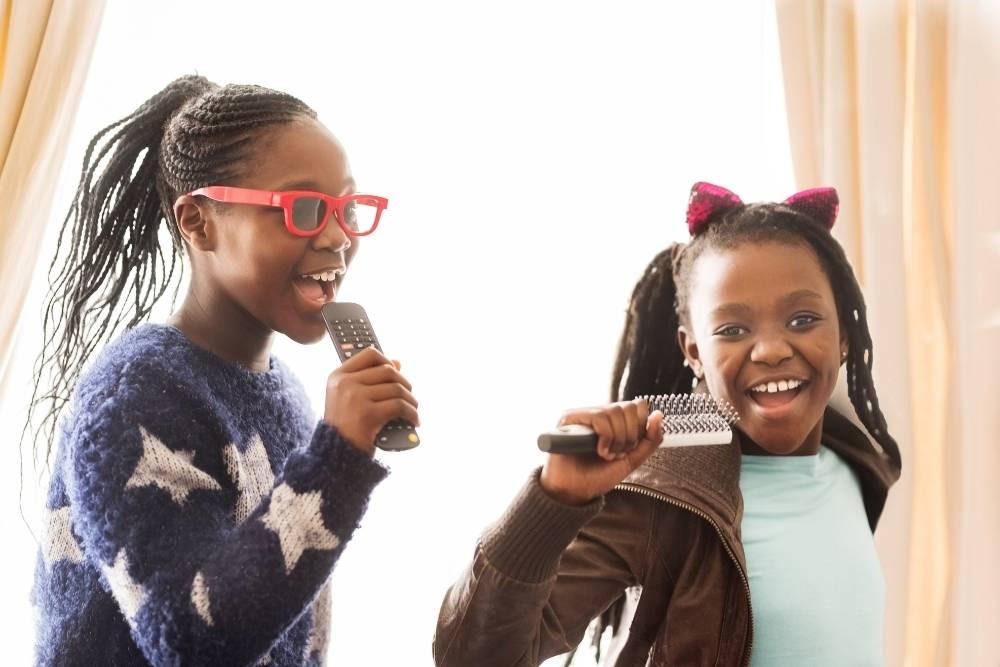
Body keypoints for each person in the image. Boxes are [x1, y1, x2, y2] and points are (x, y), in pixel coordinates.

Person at [30, 75, 419, 666]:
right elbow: (186, 643)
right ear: (197, 221)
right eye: (305, 209)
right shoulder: (135, 395)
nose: (338, 236)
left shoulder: (286, 393)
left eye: (347, 208)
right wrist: (337, 458)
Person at [434, 182, 901, 666]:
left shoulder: (857, 458)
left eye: (803, 319)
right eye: (732, 330)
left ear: (844, 333)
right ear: (694, 352)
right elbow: (475, 659)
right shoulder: (663, 497)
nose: (771, 350)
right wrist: (554, 501)